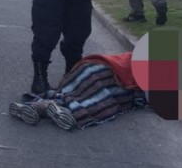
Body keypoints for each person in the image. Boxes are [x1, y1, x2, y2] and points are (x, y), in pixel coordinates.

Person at [8, 52, 146, 131]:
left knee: (66, 91)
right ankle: (63, 110)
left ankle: (40, 106)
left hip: (89, 66)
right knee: (98, 100)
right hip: (106, 76)